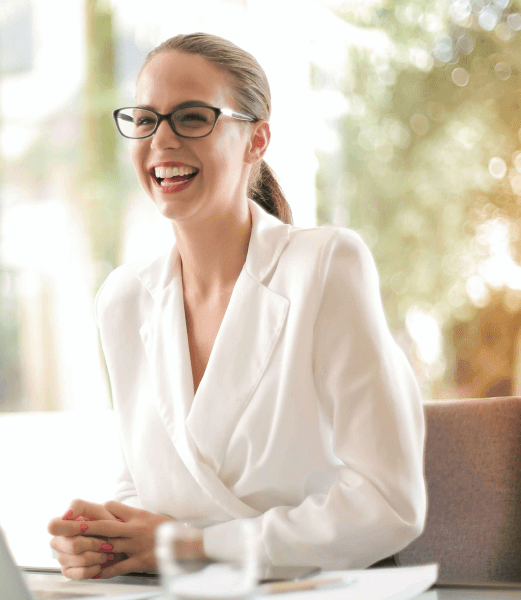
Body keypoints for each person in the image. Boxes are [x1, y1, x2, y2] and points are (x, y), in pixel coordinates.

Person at [46, 32, 427, 580]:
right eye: (146, 119)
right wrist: (104, 539)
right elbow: (144, 479)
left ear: (257, 140)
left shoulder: (324, 267)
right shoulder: (123, 300)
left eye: (193, 117)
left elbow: (388, 503)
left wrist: (195, 545)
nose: (162, 140)